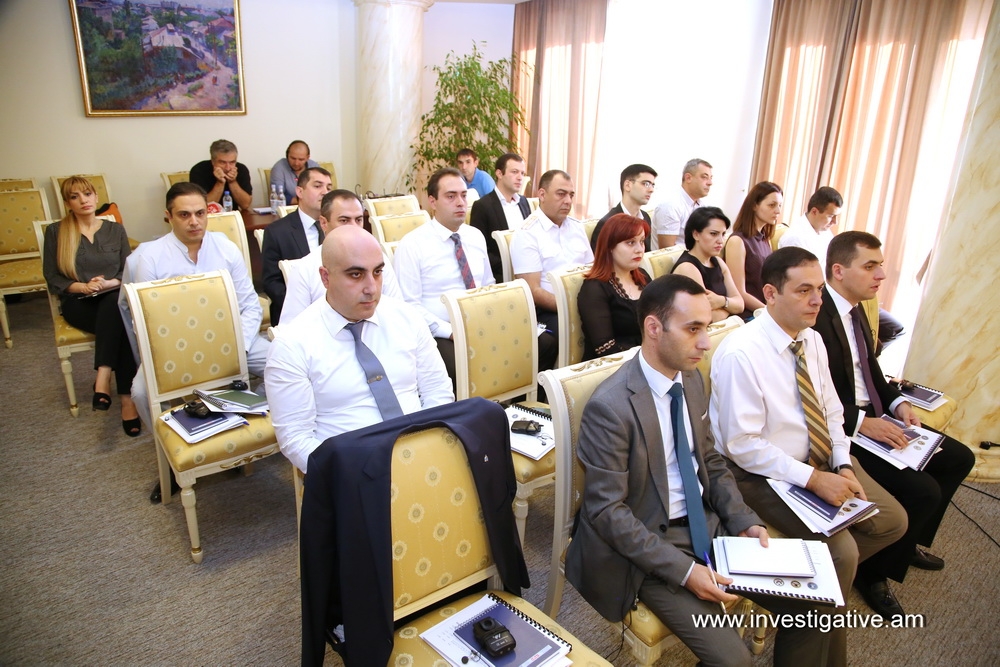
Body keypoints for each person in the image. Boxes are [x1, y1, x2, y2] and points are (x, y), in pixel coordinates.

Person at [566, 274, 831, 667]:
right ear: (653, 328)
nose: (706, 343)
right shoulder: (611, 407)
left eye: (706, 327)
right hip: (648, 543)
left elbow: (709, 460)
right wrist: (685, 571)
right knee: (735, 661)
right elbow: (607, 512)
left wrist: (743, 519)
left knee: (817, 606)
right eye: (693, 329)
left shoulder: (690, 379)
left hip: (705, 523)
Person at [710, 247, 908, 662]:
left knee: (893, 521)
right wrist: (814, 479)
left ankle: (800, 593)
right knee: (841, 555)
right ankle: (810, 622)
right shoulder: (742, 353)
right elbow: (742, 445)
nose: (818, 300)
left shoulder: (811, 339)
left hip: (818, 458)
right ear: (770, 294)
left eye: (819, 289)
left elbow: (832, 413)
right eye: (804, 291)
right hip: (759, 473)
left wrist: (842, 464)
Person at [814, 231, 975, 618]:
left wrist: (898, 402)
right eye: (870, 266)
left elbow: (870, 369)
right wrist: (862, 423)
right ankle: (874, 573)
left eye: (881, 265)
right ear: (839, 271)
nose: (881, 275)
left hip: (874, 414)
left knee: (959, 458)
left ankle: (908, 541)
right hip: (845, 427)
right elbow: (811, 395)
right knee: (923, 491)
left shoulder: (857, 309)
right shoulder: (816, 316)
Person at [264, 225, 454, 473]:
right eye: (356, 274)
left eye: (377, 272)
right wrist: (350, 476)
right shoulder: (292, 345)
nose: (371, 288)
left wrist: (427, 450)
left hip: (423, 454)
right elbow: (296, 438)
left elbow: (438, 392)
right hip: (350, 470)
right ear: (325, 277)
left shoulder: (406, 317)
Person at [121, 183, 270, 465]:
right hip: (174, 348)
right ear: (168, 216)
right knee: (140, 393)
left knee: (285, 366)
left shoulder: (225, 249)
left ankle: (241, 417)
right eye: (184, 215)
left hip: (231, 340)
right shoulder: (150, 257)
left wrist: (238, 346)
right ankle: (171, 453)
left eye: (200, 213)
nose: (194, 222)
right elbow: (147, 322)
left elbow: (250, 304)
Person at [41, 176, 140, 436]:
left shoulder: (115, 230)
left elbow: (127, 270)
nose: (83, 200)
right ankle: (126, 400)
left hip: (112, 296)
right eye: (75, 197)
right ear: (67, 203)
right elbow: (52, 277)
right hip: (78, 303)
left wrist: (110, 283)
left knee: (115, 306)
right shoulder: (56, 232)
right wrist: (82, 287)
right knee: (121, 321)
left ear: (96, 197)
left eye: (87, 194)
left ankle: (103, 377)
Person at [393, 168, 494, 382]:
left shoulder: (475, 236)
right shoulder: (412, 244)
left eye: (464, 195)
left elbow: (488, 284)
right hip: (438, 331)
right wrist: (450, 330)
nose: (460, 203)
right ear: (433, 201)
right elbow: (408, 305)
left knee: (539, 344)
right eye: (451, 196)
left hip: (479, 321)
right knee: (463, 367)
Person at [279, 190, 402, 325]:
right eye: (344, 220)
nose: (354, 227)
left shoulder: (378, 260)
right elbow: (292, 327)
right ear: (324, 223)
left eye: (358, 220)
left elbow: (397, 313)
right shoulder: (304, 269)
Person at [510, 169, 594, 355]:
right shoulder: (527, 234)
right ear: (542, 194)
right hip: (548, 310)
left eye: (571, 195)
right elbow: (533, 290)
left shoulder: (577, 227)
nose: (568, 201)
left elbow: (592, 270)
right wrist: (573, 307)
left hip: (585, 302)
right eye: (561, 194)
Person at [260, 166, 334, 324]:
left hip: (337, 310)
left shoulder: (337, 228)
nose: (325, 192)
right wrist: (307, 307)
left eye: (329, 188)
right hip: (297, 314)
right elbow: (271, 282)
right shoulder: (277, 232)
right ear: (300, 192)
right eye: (317, 186)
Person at [578, 213, 650, 360]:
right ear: (610, 246)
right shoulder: (594, 288)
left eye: (642, 241)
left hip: (648, 359)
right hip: (613, 366)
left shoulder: (642, 277)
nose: (639, 249)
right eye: (631, 242)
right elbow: (605, 348)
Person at [670, 206, 744, 322]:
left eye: (723, 234)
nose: (720, 241)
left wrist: (721, 301)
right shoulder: (688, 267)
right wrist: (729, 309)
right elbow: (706, 317)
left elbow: (740, 305)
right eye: (714, 234)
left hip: (727, 327)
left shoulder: (718, 261)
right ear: (696, 234)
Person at [723, 181, 782, 320]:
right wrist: (771, 313)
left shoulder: (765, 239)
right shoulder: (737, 241)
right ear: (755, 205)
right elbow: (739, 293)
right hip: (750, 315)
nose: (778, 211)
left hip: (765, 310)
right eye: (772, 205)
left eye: (780, 205)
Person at [468, 152, 531, 282]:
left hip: (529, 271)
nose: (520, 177)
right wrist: (510, 265)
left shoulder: (524, 202)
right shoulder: (483, 206)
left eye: (522, 173)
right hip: (500, 276)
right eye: (514, 172)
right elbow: (479, 251)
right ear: (499, 174)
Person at [590, 164, 656, 252]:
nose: (651, 190)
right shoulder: (607, 223)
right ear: (627, 185)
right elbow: (600, 259)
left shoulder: (645, 217)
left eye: (652, 185)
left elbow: (646, 254)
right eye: (646, 184)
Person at [777, 186, 842, 270]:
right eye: (831, 216)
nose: (835, 222)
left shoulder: (825, 231)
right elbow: (801, 274)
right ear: (814, 212)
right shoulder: (795, 238)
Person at [652, 158, 712, 250]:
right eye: (704, 177)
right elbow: (667, 252)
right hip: (676, 258)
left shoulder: (702, 206)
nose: (710, 183)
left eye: (711, 178)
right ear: (688, 178)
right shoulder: (670, 205)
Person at [188, 139, 253, 209]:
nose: (228, 168)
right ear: (213, 161)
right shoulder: (199, 170)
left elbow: (245, 205)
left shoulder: (241, 169)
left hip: (232, 213)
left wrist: (232, 182)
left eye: (232, 162)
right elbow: (203, 206)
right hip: (209, 215)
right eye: (222, 162)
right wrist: (220, 183)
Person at [270, 140, 319, 205]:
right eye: (293, 158)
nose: (296, 163)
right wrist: (305, 200)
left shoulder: (314, 167)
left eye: (301, 159)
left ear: (307, 158)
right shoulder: (279, 168)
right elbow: (278, 196)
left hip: (312, 207)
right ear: (287, 155)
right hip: (288, 208)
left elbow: (321, 191)